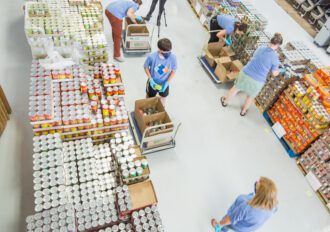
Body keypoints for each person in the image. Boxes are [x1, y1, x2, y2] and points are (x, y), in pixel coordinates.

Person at [220, 33, 283, 116]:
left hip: (246, 72)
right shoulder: (275, 58)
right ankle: (243, 111)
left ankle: (225, 101)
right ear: (278, 45)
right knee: (250, 97)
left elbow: (255, 57)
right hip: (258, 80)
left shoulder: (260, 48)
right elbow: (274, 73)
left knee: (235, 88)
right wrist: (279, 70)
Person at [211, 177, 278, 232]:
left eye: (258, 183)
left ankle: (221, 230)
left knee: (226, 221)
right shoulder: (274, 206)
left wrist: (219, 224)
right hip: (248, 228)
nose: (257, 182)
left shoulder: (246, 207)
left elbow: (230, 219)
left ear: (259, 195)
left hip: (237, 225)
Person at [144, 38, 177, 107]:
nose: (168, 53)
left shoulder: (173, 57)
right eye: (166, 51)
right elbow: (146, 67)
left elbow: (173, 71)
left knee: (163, 97)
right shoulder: (152, 57)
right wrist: (150, 79)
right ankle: (147, 107)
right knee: (150, 96)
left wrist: (167, 82)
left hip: (164, 83)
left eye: (169, 51)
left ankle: (161, 109)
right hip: (153, 81)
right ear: (159, 49)